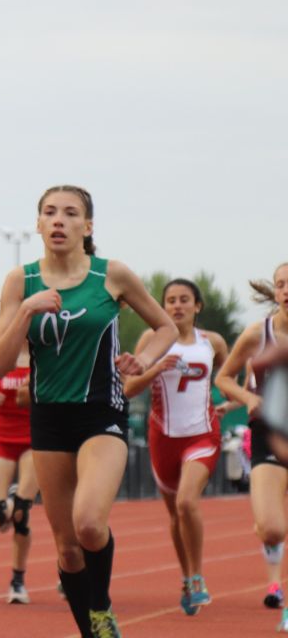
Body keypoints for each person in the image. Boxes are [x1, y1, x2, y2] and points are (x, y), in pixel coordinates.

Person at [0, 185, 177, 638]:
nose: (59, 220)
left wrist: (144, 359)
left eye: (70, 213)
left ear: (87, 227)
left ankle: (101, 607)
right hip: (49, 417)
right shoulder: (23, 281)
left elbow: (165, 327)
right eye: (49, 213)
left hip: (101, 412)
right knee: (67, 548)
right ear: (37, 224)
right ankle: (91, 631)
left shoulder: (110, 275)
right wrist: (25, 312)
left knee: (90, 524)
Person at [123, 278, 229, 615]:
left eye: (185, 300)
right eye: (170, 300)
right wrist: (156, 367)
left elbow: (227, 377)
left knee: (187, 502)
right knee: (174, 514)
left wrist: (226, 400)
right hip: (163, 436)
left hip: (202, 433)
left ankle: (197, 577)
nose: (177, 306)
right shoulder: (151, 341)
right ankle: (186, 577)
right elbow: (128, 388)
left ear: (197, 306)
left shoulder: (212, 342)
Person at [216, 262, 288, 631]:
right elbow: (223, 376)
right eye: (281, 285)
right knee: (273, 529)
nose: (287, 290)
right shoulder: (257, 334)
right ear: (275, 292)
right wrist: (247, 397)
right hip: (268, 433)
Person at [0, 344, 39, 605]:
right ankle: (11, 500)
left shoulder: (43, 354)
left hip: (33, 436)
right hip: (3, 434)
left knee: (21, 515)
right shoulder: (3, 354)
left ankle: (18, 580)